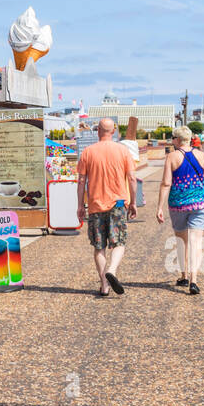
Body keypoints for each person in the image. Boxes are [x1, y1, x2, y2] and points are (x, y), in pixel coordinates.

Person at [76, 118, 137, 296]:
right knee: (119, 242)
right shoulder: (123, 151)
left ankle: (104, 285)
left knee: (99, 245)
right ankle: (112, 269)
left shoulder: (88, 152)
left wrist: (80, 205)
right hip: (118, 204)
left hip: (96, 204)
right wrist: (133, 202)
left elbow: (81, 181)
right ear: (114, 131)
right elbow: (132, 179)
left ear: (98, 131)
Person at [157, 125, 204, 295]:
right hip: (199, 202)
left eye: (173, 138)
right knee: (196, 242)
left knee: (182, 241)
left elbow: (166, 183)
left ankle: (183, 275)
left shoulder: (172, 157)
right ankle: (193, 280)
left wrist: (159, 206)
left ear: (176, 139)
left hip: (178, 204)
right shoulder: (201, 155)